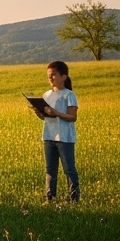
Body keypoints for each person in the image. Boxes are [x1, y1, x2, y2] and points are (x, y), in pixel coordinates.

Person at [42, 60, 79, 201]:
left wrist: (55, 112)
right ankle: (49, 197)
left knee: (69, 168)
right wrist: (40, 113)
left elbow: (72, 117)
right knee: (50, 169)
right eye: (48, 76)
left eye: (53, 75)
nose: (50, 78)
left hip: (64, 138)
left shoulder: (69, 95)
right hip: (48, 136)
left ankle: (74, 198)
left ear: (64, 76)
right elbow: (47, 117)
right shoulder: (46, 95)